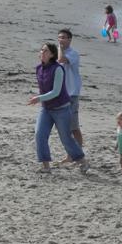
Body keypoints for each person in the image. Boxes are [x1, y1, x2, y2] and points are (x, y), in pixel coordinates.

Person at [28, 43, 89, 173]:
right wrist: (41, 99)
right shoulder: (39, 68)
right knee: (40, 135)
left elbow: (56, 92)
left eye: (46, 51)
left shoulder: (58, 69)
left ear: (52, 54)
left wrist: (38, 98)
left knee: (66, 138)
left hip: (61, 109)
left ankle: (82, 161)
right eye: (42, 50)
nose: (42, 52)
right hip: (46, 109)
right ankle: (46, 166)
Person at [56, 29, 82, 164]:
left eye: (64, 38)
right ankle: (70, 155)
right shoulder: (58, 52)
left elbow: (61, 60)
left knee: (74, 127)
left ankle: (79, 154)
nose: (61, 40)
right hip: (61, 94)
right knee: (65, 128)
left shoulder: (73, 54)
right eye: (59, 38)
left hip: (72, 94)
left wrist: (59, 48)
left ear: (70, 40)